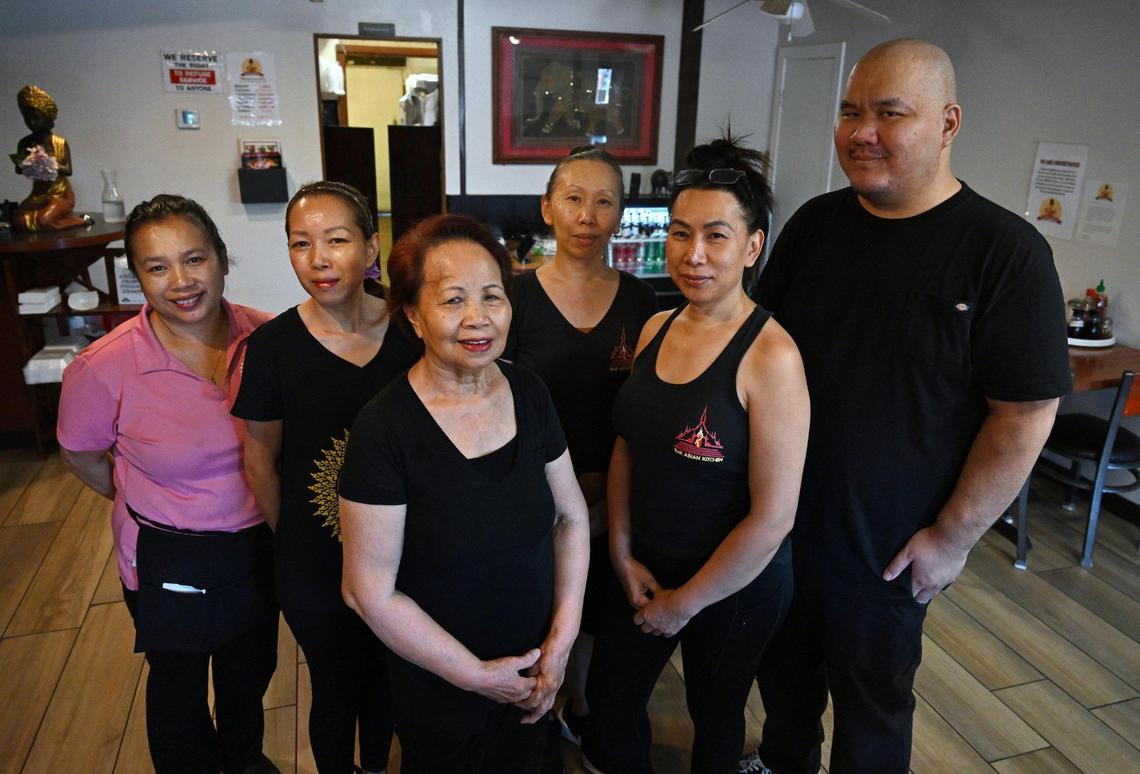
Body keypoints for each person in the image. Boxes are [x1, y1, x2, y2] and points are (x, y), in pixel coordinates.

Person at [741, 39, 1072, 774]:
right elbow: (757, 353)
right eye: (852, 111)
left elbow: (1023, 415)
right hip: (781, 523)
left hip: (888, 550)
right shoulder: (816, 226)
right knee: (783, 681)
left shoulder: (1004, 253)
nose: (863, 131)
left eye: (890, 113)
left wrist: (952, 540)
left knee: (873, 707)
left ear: (948, 123)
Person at [582, 135, 809, 774]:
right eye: (681, 234)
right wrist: (622, 554)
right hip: (647, 562)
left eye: (716, 236)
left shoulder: (773, 357)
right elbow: (628, 446)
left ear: (753, 246)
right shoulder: (656, 327)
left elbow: (773, 519)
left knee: (716, 715)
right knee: (611, 697)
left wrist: (686, 603)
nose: (694, 255)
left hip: (735, 584)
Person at [338, 214, 590, 773]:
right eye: (452, 300)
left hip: (535, 667)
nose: (477, 318)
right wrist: (477, 677)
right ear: (413, 316)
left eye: (492, 297)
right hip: (442, 682)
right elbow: (366, 592)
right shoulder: (384, 428)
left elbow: (570, 518)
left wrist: (562, 639)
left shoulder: (529, 391)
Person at [57, 195, 279, 773]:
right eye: (157, 267)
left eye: (194, 259)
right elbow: (82, 455)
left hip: (258, 542)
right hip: (167, 552)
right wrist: (138, 494)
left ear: (223, 260)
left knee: (249, 673)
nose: (181, 281)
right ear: (139, 280)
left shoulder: (270, 339)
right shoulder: (103, 366)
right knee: (178, 686)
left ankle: (244, 761)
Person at [232, 182, 421, 774]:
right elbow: (259, 461)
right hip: (315, 561)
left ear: (370, 247)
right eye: (300, 244)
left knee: (392, 679)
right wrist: (300, 541)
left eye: (336, 240)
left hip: (410, 553)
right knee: (336, 686)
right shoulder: (271, 347)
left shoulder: (414, 329)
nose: (317, 259)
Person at [504, 145, 657, 743]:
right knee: (537, 608)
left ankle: (585, 710)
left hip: (615, 491)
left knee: (600, 612)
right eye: (573, 199)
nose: (588, 216)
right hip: (534, 492)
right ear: (548, 208)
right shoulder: (513, 298)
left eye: (604, 202)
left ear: (620, 215)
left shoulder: (643, 302)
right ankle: (532, 706)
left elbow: (647, 407)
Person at [11, 84, 90, 231]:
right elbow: (18, 169)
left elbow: (68, 170)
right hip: (37, 194)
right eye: (27, 119)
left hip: (59, 194)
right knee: (18, 222)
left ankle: (80, 220)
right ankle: (63, 218)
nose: (32, 123)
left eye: (36, 117)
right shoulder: (24, 143)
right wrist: (28, 164)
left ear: (47, 117)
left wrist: (48, 164)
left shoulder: (59, 142)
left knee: (45, 221)